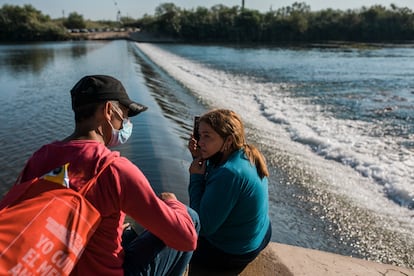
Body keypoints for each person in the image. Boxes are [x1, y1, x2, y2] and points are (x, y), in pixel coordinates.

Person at [15, 75, 199, 275]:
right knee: (190, 218)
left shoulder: (40, 157)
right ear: (109, 111)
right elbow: (185, 238)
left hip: (52, 266)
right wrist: (172, 203)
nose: (125, 124)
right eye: (125, 116)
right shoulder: (113, 169)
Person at [187, 109, 272, 270]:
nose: (200, 142)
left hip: (235, 250)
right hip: (259, 233)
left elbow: (203, 226)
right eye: (200, 135)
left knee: (187, 238)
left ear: (228, 141)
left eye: (207, 136)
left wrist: (196, 178)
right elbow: (217, 183)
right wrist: (200, 158)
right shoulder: (244, 153)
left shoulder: (229, 173)